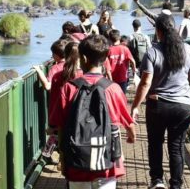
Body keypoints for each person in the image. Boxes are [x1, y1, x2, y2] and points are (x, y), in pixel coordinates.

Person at [50, 35, 136, 189]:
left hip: (76, 163)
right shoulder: (113, 88)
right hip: (106, 162)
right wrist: (131, 136)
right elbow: (127, 122)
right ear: (105, 59)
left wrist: (63, 159)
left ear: (83, 58)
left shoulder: (70, 88)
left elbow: (61, 126)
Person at [130, 14, 190, 189]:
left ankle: (157, 181)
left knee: (155, 143)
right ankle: (176, 185)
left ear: (158, 31)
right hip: (182, 107)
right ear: (174, 28)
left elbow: (145, 83)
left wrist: (135, 106)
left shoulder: (152, 52)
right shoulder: (188, 50)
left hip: (157, 105)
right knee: (176, 147)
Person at [104, 29, 136, 95]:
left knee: (113, 96)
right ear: (119, 38)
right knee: (122, 95)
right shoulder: (125, 48)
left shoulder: (108, 50)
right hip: (123, 77)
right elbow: (133, 61)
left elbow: (106, 67)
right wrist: (134, 71)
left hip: (112, 78)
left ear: (109, 39)